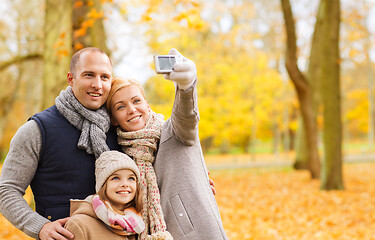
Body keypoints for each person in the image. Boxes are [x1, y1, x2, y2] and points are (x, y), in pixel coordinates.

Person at [0, 47, 121, 240]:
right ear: (71, 79)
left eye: (105, 77)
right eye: (89, 75)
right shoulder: (37, 130)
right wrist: (41, 227)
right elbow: (6, 190)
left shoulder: (120, 126)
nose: (97, 84)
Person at [107, 49, 228, 239]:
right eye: (121, 107)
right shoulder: (121, 159)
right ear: (114, 119)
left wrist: (186, 86)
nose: (131, 110)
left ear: (147, 105)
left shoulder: (174, 132)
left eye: (136, 101)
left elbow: (186, 115)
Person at [64, 150, 145, 240]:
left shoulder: (138, 224)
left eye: (131, 178)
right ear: (103, 185)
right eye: (115, 178)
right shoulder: (80, 224)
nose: (125, 184)